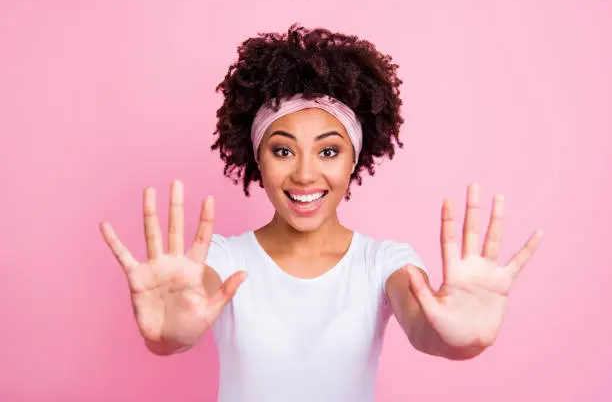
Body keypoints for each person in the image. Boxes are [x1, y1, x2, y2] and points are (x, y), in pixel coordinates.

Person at [99, 24, 544, 402]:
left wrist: (459, 340)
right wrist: (167, 333)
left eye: (329, 150)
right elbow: (180, 324)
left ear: (355, 158)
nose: (306, 174)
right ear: (258, 159)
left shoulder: (384, 263)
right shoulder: (220, 259)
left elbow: (425, 325)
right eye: (283, 150)